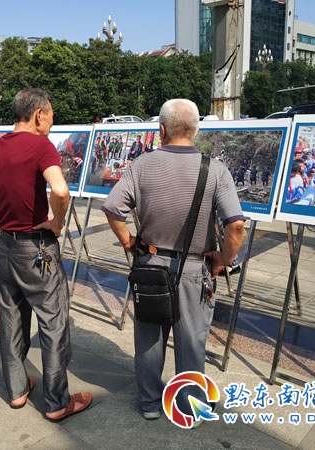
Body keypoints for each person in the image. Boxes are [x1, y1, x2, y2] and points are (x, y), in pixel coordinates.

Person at [0, 88, 91, 420]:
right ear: (38, 115)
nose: (51, 124)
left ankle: (17, 390)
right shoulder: (40, 146)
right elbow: (61, 191)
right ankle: (57, 403)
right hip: (36, 246)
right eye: (51, 116)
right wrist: (57, 222)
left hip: (5, 247)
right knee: (53, 321)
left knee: (10, 318)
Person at [101, 98, 245, 423]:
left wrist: (128, 241)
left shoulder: (141, 166)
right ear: (195, 130)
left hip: (150, 266)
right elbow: (235, 225)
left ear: (162, 130)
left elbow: (112, 209)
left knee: (149, 339)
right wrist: (224, 258)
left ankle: (150, 403)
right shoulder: (215, 170)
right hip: (194, 269)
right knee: (191, 341)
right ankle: (189, 406)